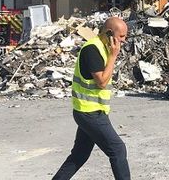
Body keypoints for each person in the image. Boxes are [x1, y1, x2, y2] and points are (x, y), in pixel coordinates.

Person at [52, 16, 131, 179]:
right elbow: (102, 81)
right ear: (109, 33)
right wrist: (113, 56)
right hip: (89, 113)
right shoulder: (92, 50)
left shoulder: (103, 48)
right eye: (122, 36)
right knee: (118, 150)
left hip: (93, 111)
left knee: (79, 155)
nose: (124, 41)